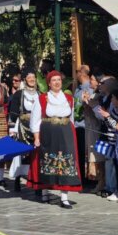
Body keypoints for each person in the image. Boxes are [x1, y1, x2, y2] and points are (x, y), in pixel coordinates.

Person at [28, 70, 82, 209]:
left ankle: (64, 197)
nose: (57, 82)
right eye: (54, 80)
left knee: (66, 161)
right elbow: (35, 119)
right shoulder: (42, 98)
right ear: (49, 83)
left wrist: (72, 134)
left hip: (65, 132)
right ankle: (45, 191)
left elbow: (71, 119)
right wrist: (36, 137)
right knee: (47, 160)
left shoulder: (68, 99)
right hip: (48, 133)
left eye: (59, 80)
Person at [8, 69, 39, 191]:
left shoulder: (39, 93)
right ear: (25, 80)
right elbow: (14, 112)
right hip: (22, 126)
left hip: (36, 126)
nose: (32, 79)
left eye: (33, 77)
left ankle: (36, 181)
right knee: (21, 153)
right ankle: (17, 178)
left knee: (35, 153)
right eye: (29, 77)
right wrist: (12, 129)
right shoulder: (19, 94)